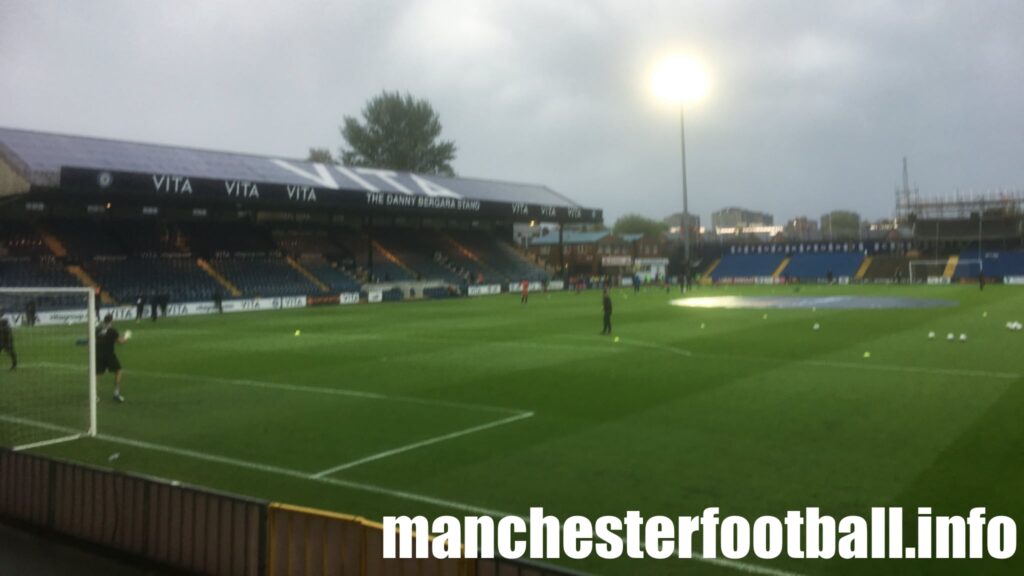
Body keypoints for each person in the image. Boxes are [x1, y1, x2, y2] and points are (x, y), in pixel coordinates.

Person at [96, 314, 127, 403]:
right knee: (118, 370)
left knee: (96, 375)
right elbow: (120, 342)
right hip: (109, 355)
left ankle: (94, 396)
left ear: (104, 320)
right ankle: (116, 394)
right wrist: (126, 337)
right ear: (111, 321)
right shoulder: (112, 330)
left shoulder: (97, 329)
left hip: (98, 355)